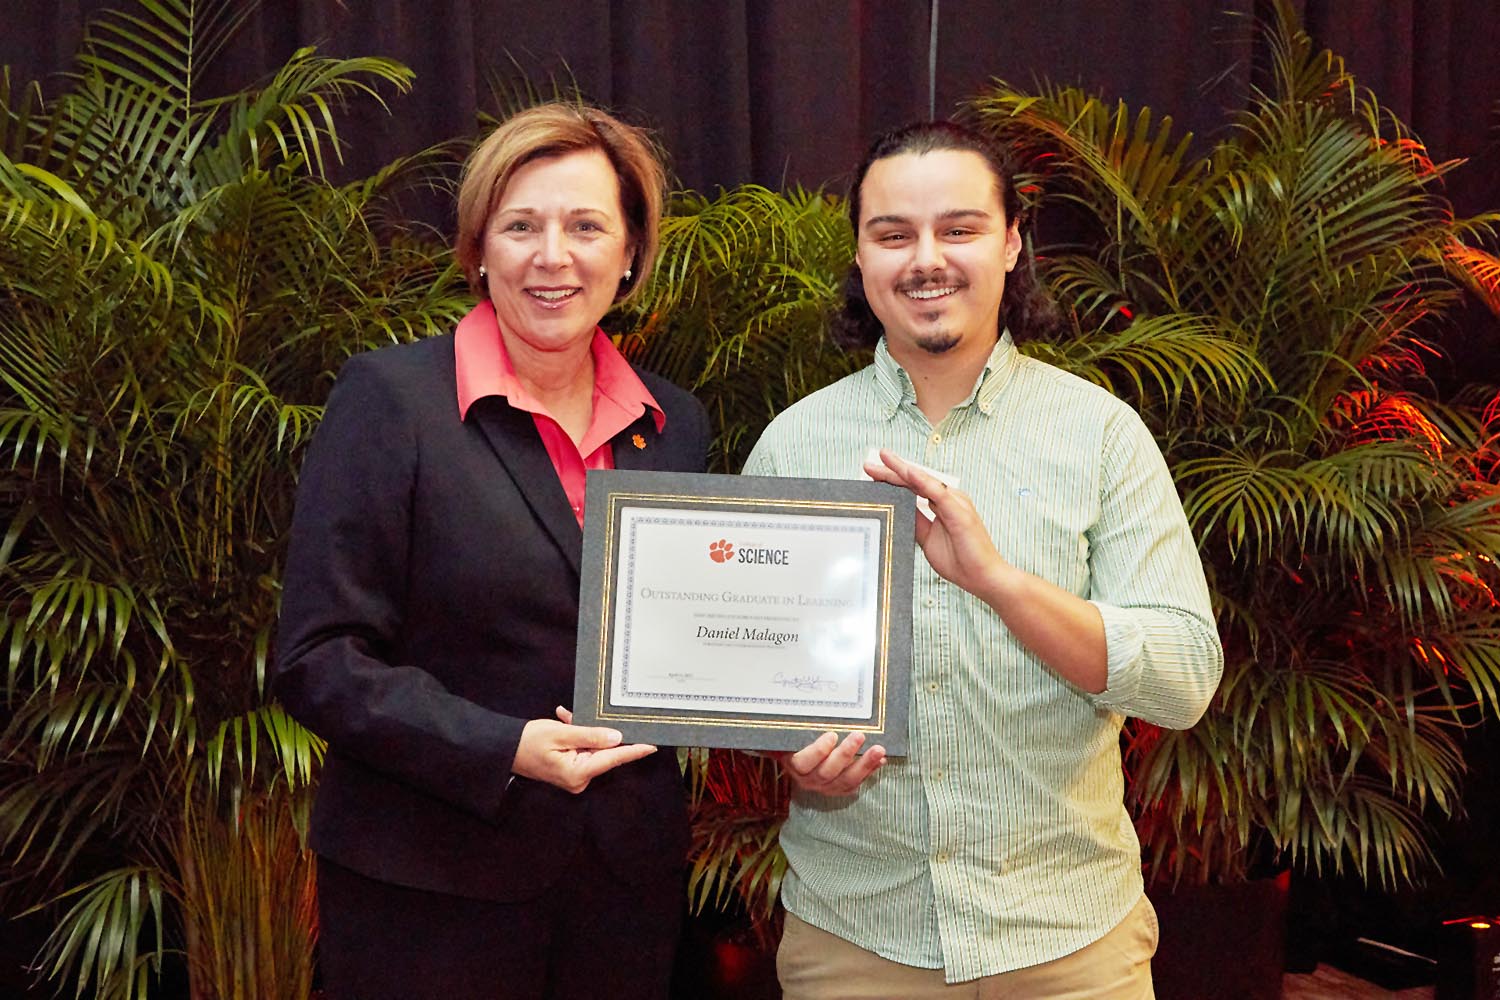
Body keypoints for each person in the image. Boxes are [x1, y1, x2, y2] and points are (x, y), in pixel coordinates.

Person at [742, 120, 1224, 998]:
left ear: (1010, 243)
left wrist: (999, 583)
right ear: (860, 256)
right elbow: (752, 676)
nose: (926, 258)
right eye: (894, 234)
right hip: (855, 942)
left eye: (958, 228)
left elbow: (1184, 680)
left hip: (1070, 943)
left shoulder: (1100, 436)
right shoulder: (792, 446)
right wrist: (787, 752)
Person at [273, 103, 709, 1000]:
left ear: (631, 254)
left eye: (587, 226)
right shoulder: (392, 401)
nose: (553, 256)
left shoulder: (673, 424)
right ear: (478, 249)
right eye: (521, 226)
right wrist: (504, 745)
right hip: (427, 897)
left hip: (622, 897)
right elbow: (318, 660)